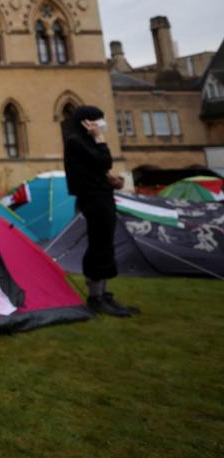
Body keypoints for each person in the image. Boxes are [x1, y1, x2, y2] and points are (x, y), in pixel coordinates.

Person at [63, 105, 136, 317]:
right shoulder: (76, 141)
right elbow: (104, 160)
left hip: (102, 196)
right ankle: (95, 297)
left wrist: (113, 180)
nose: (101, 124)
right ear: (86, 122)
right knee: (99, 245)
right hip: (93, 199)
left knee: (105, 245)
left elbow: (98, 168)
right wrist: (100, 139)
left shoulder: (84, 143)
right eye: (97, 120)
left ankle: (103, 294)